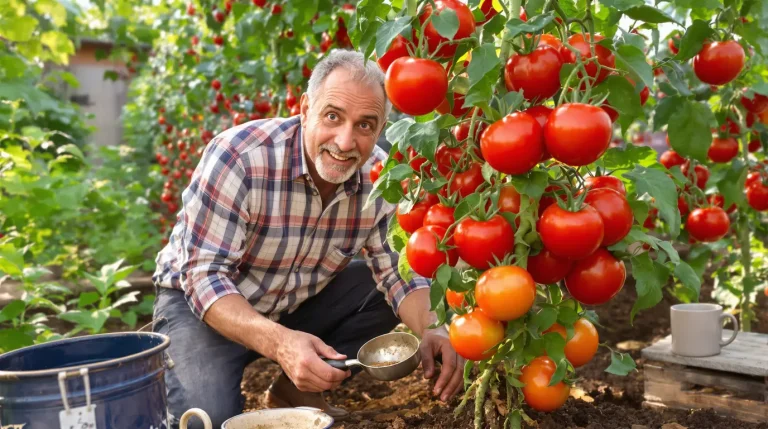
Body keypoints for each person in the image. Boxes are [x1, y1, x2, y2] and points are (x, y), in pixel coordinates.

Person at [151, 49, 465, 429]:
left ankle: (292, 389)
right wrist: (281, 343)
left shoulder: (381, 179)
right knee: (208, 421)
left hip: (292, 305)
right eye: (333, 116)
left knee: (376, 291)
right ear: (305, 108)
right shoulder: (241, 157)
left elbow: (398, 274)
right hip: (202, 310)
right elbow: (203, 276)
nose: (345, 141)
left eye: (365, 125)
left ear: (381, 127)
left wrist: (433, 327)